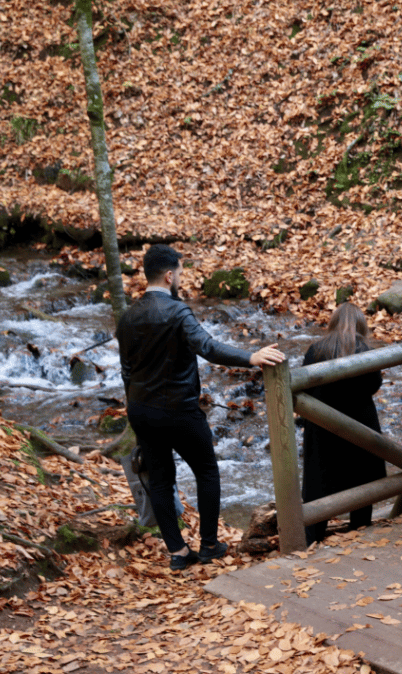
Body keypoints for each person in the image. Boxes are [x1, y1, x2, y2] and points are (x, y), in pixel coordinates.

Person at [116, 244, 285, 571]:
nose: (180, 278)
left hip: (142, 411)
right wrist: (251, 357)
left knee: (160, 479)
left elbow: (126, 371)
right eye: (179, 273)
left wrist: (136, 407)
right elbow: (207, 347)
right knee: (206, 469)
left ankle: (178, 553)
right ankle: (209, 544)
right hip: (178, 410)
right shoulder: (177, 312)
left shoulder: (128, 317)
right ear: (168, 275)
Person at [301, 302, 385, 544]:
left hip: (322, 429)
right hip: (360, 425)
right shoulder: (367, 351)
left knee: (319, 487)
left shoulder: (316, 349)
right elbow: (374, 386)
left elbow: (303, 386)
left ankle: (312, 540)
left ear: (333, 322)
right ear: (362, 324)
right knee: (362, 482)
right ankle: (360, 533)